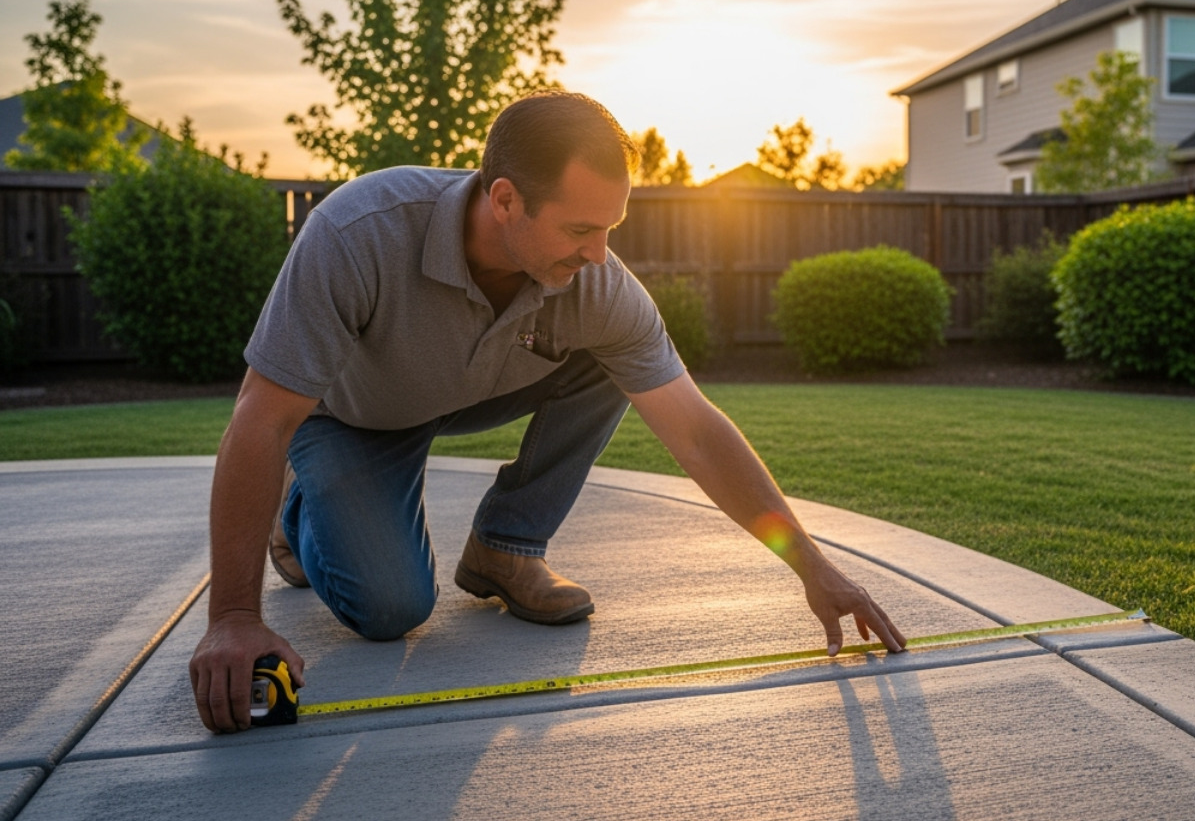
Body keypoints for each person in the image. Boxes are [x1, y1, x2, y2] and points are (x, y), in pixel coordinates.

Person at [187, 91, 906, 733]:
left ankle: (507, 547)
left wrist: (813, 569)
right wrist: (233, 619)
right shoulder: (359, 233)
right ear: (504, 200)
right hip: (353, 419)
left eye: (611, 229)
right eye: (579, 230)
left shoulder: (596, 283)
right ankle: (299, 516)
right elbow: (261, 418)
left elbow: (694, 429)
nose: (600, 255)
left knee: (616, 358)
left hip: (468, 391)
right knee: (390, 612)